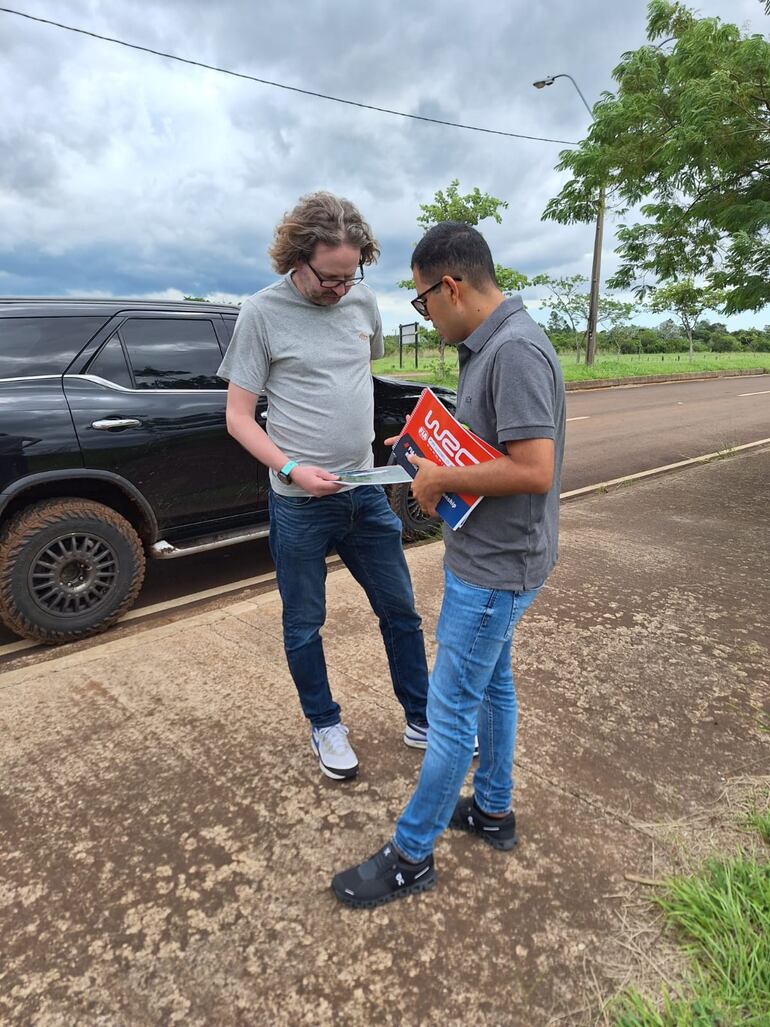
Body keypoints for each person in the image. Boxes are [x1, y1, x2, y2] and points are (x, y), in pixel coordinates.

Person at [332, 221, 566, 907]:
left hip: (496, 567)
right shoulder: (485, 346)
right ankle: (492, 809)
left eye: (422, 300)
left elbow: (534, 469)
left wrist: (434, 485)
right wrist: (418, 450)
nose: (423, 312)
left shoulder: (516, 351)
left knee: (450, 709)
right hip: (494, 556)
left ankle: (411, 853)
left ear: (452, 285)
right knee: (493, 686)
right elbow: (485, 443)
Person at [218, 191, 430, 781]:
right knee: (305, 623)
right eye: (330, 278)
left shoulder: (362, 301)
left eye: (351, 276)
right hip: (300, 502)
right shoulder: (261, 313)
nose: (342, 290)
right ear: (296, 257)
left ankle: (422, 715)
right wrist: (291, 470)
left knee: (401, 612)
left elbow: (361, 380)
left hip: (364, 490)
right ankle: (325, 724)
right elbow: (238, 417)